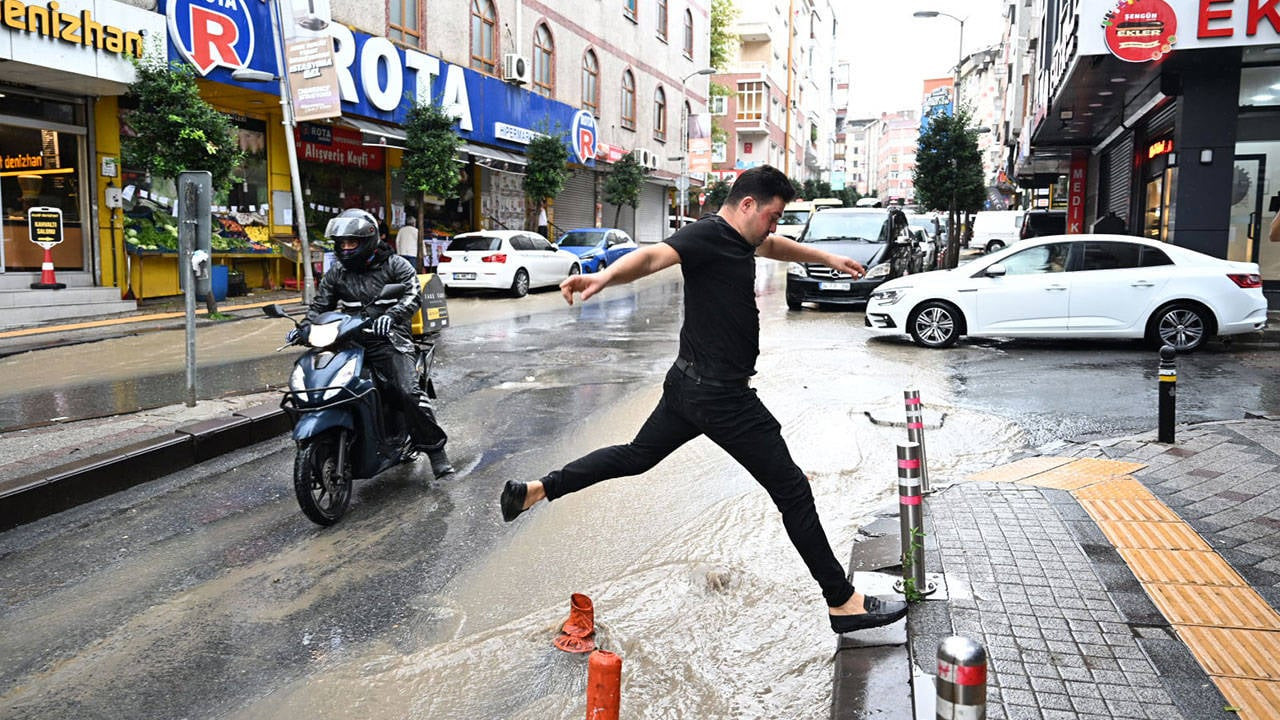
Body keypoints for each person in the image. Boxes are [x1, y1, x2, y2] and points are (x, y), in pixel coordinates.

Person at [498, 165, 907, 633]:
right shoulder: (706, 234)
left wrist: (825, 258)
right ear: (748, 204)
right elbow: (652, 257)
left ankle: (537, 490)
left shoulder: (743, 236)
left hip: (686, 385)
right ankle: (842, 602)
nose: (774, 226)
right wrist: (602, 278)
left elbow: (772, 245)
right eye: (772, 215)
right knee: (793, 491)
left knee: (636, 456)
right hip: (721, 397)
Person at [305, 208, 455, 478]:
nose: (346, 248)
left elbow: (412, 294)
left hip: (390, 340)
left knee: (407, 392)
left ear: (368, 241)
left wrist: (392, 316)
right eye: (342, 244)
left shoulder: (395, 264)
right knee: (322, 383)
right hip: (348, 340)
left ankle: (436, 451)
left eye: (352, 243)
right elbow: (319, 306)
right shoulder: (337, 273)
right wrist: (304, 328)